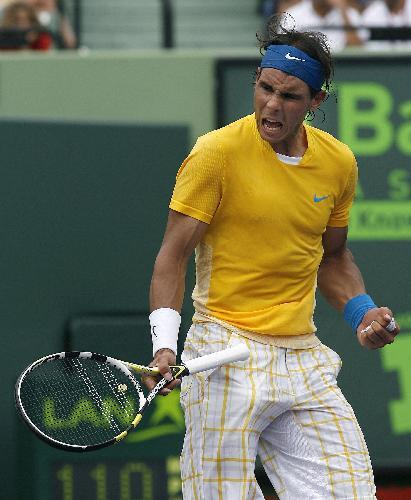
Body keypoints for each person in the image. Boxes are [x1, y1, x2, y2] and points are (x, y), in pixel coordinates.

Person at [143, 15, 400, 499]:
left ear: (316, 101)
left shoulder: (339, 162)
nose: (271, 106)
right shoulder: (215, 153)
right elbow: (172, 256)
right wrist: (164, 345)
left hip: (302, 355)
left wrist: (362, 312)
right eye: (265, 89)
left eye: (289, 96)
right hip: (222, 350)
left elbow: (333, 257)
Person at [284, 0, 365, 52]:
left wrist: (343, 11)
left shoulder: (351, 14)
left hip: (342, 68)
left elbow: (357, 48)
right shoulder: (293, 14)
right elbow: (284, 49)